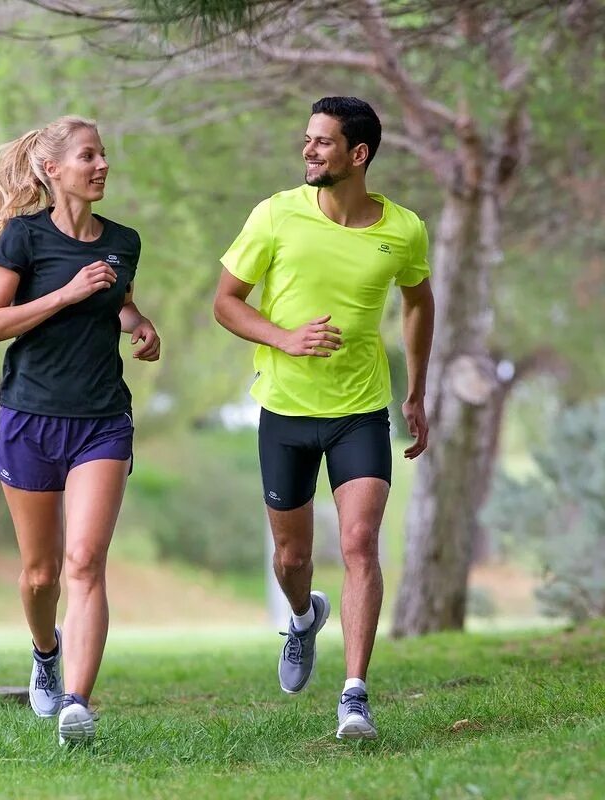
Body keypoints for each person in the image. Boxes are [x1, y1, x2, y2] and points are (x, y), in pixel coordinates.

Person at [213, 97, 434, 740]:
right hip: (285, 410)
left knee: (360, 543)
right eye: (306, 139)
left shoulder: (404, 230)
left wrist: (415, 390)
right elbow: (226, 303)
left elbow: (419, 301)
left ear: (358, 155)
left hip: (361, 411)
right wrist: (283, 339)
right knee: (292, 556)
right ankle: (304, 616)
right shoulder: (275, 215)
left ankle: (355, 694)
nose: (308, 150)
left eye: (323, 142)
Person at [0, 115, 160, 746]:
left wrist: (137, 321)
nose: (101, 165)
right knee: (41, 574)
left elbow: (117, 299)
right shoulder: (24, 239)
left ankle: (77, 703)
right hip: (30, 416)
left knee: (86, 561)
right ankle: (45, 650)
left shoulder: (124, 241)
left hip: (101, 420)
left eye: (104, 155)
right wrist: (67, 294)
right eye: (88, 156)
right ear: (53, 170)